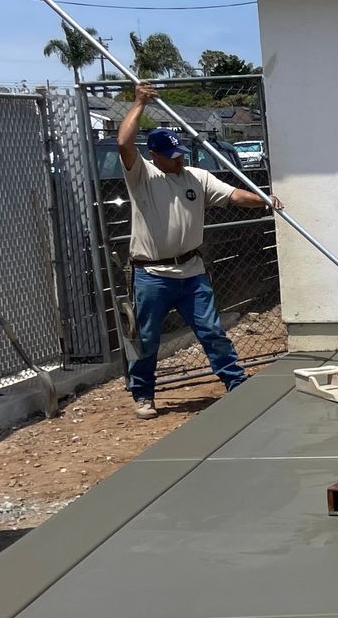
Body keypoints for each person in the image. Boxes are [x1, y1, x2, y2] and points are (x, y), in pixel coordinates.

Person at [118, 82, 277, 420]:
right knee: (147, 339)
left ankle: (236, 384)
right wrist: (139, 103)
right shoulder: (141, 177)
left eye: (180, 155)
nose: (178, 161)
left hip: (191, 272)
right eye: (171, 156)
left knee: (211, 331)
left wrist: (264, 201)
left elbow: (233, 195)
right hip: (152, 274)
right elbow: (122, 142)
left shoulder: (196, 178)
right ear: (154, 155)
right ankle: (143, 394)